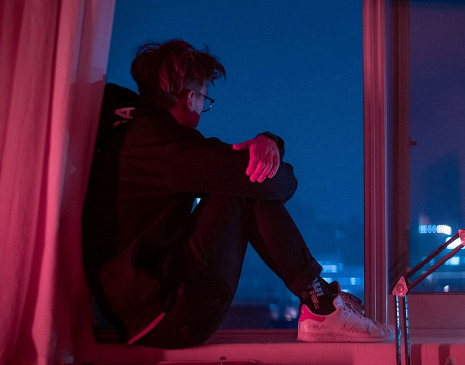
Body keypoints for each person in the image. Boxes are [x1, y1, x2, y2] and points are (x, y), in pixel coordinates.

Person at [82, 39, 392, 348]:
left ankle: (320, 300)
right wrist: (270, 145)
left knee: (242, 182)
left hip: (141, 314)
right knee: (243, 188)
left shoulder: (137, 137)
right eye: (204, 98)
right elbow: (279, 184)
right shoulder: (170, 148)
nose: (203, 107)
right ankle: (320, 305)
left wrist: (269, 142)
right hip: (166, 321)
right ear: (190, 99)